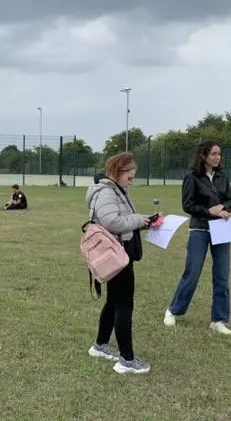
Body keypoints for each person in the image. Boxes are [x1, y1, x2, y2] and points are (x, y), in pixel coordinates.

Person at [84, 152, 155, 374]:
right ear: (117, 172)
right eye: (130, 177)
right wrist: (137, 220)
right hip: (117, 254)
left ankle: (101, 345)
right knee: (124, 305)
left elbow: (120, 219)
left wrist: (144, 222)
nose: (132, 182)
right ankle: (127, 359)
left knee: (114, 302)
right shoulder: (107, 192)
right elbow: (111, 221)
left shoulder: (115, 190)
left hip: (117, 252)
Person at [164, 140, 231, 335]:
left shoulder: (223, 177)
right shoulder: (192, 178)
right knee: (193, 272)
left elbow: (230, 199)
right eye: (213, 154)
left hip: (222, 229)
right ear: (203, 156)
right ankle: (173, 310)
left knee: (222, 275)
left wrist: (224, 208)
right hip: (200, 230)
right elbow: (188, 205)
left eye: (219, 154)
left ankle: (219, 320)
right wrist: (209, 211)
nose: (217, 157)